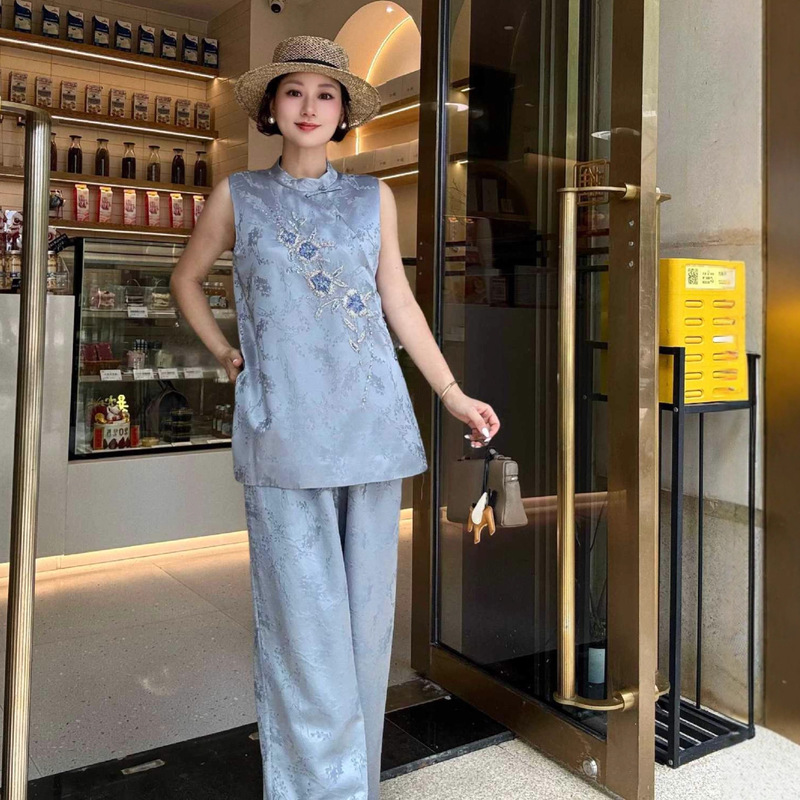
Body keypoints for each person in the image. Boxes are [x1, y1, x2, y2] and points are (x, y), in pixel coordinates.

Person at [170, 35, 501, 800]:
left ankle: (355, 786)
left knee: (362, 629)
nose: (310, 106)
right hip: (283, 434)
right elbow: (187, 278)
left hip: (372, 431)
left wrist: (453, 393)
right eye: (294, 91)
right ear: (271, 106)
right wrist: (226, 352)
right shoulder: (238, 195)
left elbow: (398, 303)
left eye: (326, 94)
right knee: (301, 633)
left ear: (345, 111)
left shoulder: (371, 198)